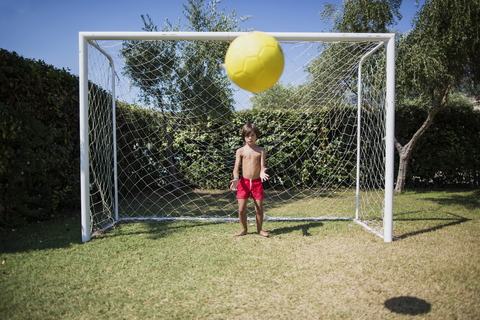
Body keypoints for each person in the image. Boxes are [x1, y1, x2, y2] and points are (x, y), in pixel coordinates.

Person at [230, 123, 270, 237]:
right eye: (247, 136)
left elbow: (262, 166)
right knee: (241, 209)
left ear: (256, 136)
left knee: (259, 209)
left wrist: (262, 172)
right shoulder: (240, 151)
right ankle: (244, 229)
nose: (250, 138)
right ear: (244, 137)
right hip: (244, 183)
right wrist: (236, 179)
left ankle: (259, 229)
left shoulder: (261, 151)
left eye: (252, 135)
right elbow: (236, 168)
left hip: (257, 183)